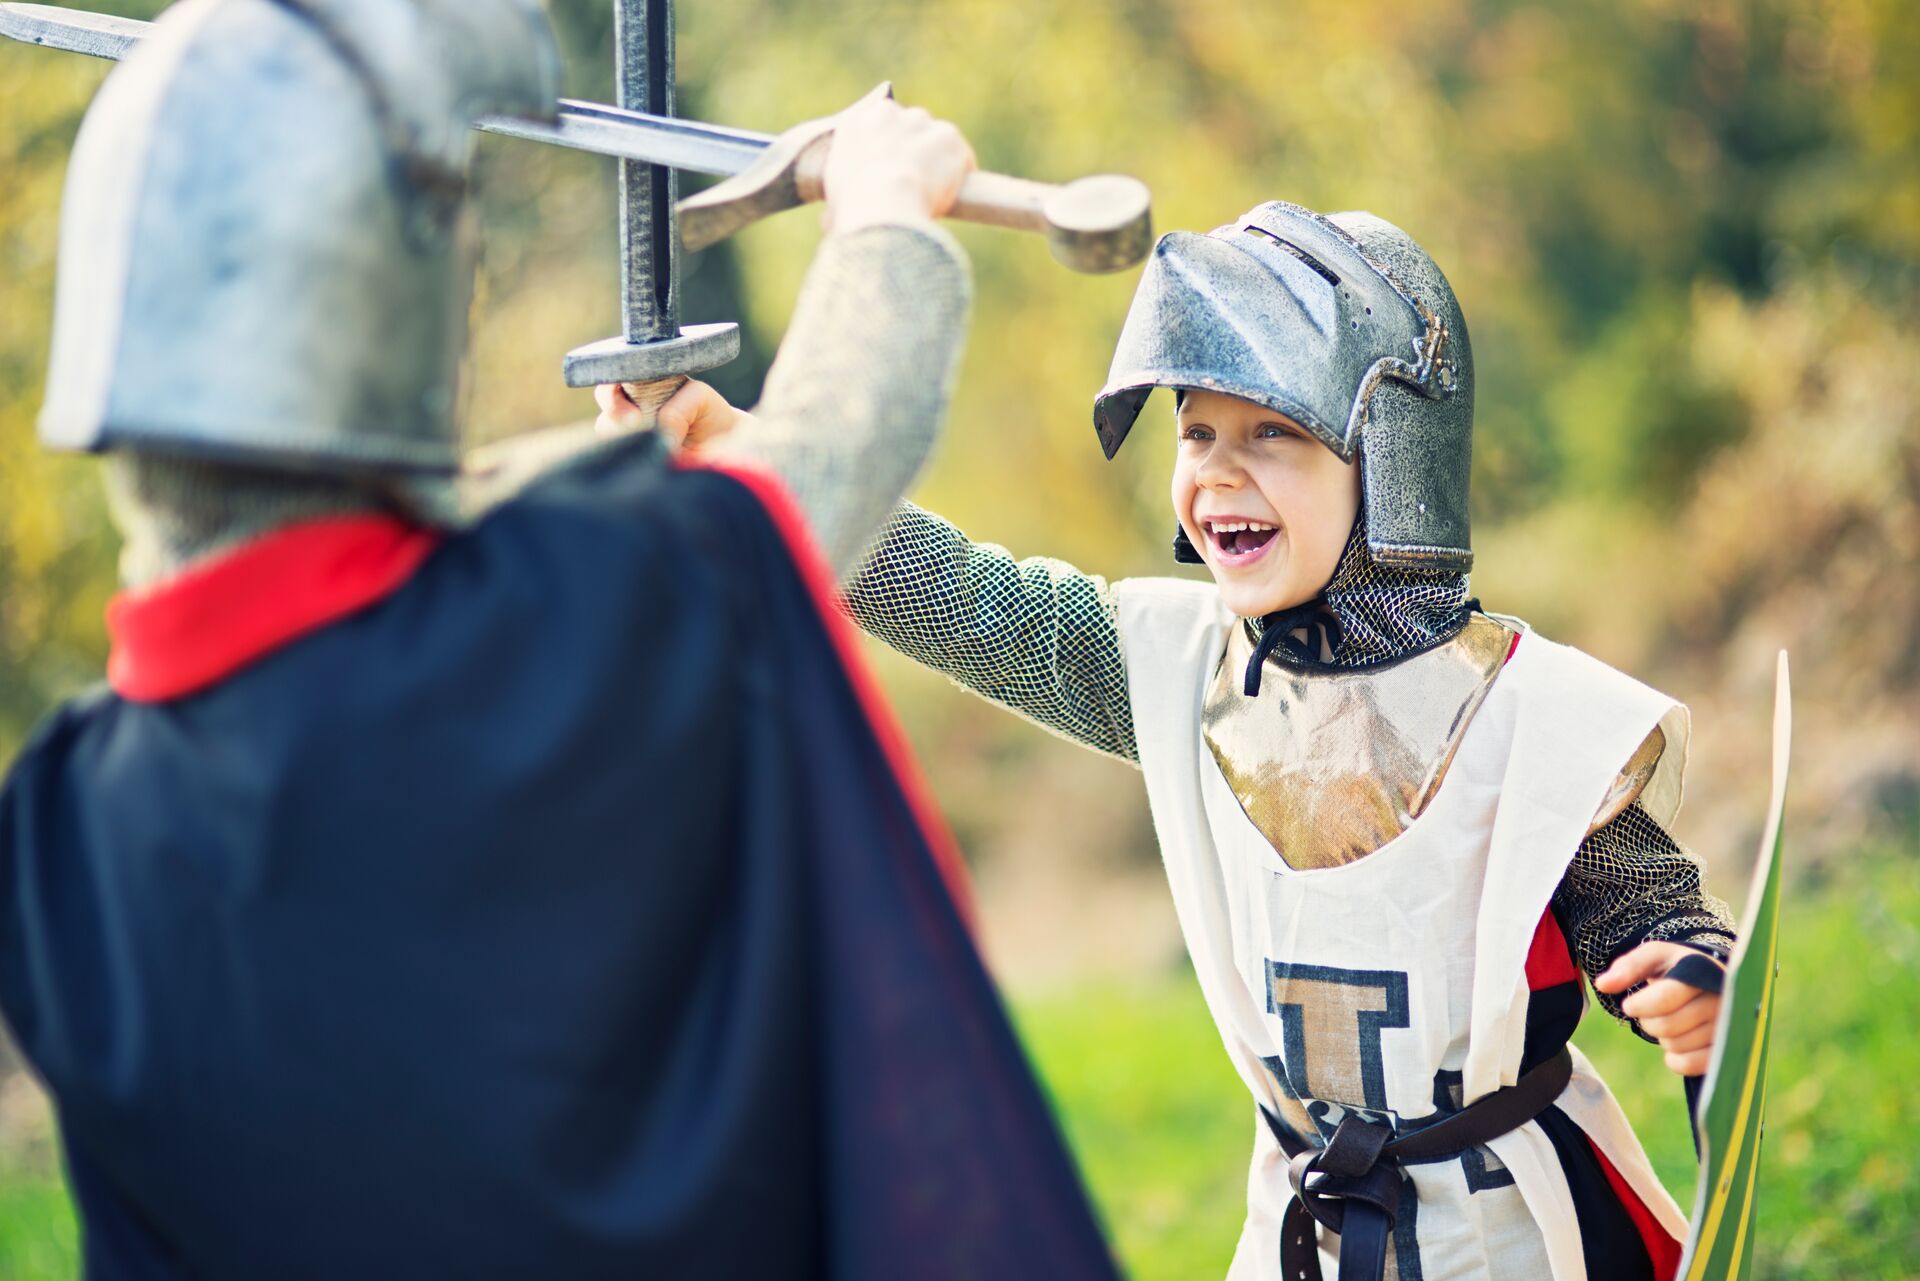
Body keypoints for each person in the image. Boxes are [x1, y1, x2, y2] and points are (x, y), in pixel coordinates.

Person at [0, 2, 1120, 1277]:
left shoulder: (59, 826)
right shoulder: (559, 614)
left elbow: (340, 585)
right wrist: (882, 218)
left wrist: (627, 482)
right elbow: (829, 461)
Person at [631, 202, 1736, 1281]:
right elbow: (965, 601)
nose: (1216, 469)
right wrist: (758, 457)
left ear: (1389, 453)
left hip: (1510, 1237)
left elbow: (1652, 915)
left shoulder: (1525, 711)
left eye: (1273, 432)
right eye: (1197, 430)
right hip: (1298, 1221)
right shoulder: (1175, 668)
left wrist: (1692, 977)